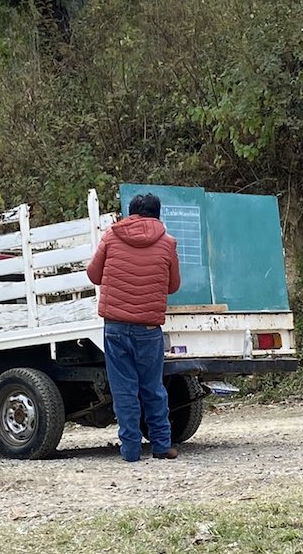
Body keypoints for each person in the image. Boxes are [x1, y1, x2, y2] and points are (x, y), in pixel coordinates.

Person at [87, 193, 182, 462]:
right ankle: (162, 446)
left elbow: (93, 275)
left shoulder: (111, 237)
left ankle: (130, 451)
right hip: (149, 328)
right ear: (157, 214)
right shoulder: (167, 243)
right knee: (153, 388)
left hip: (116, 327)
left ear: (130, 214)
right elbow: (173, 286)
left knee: (124, 390)